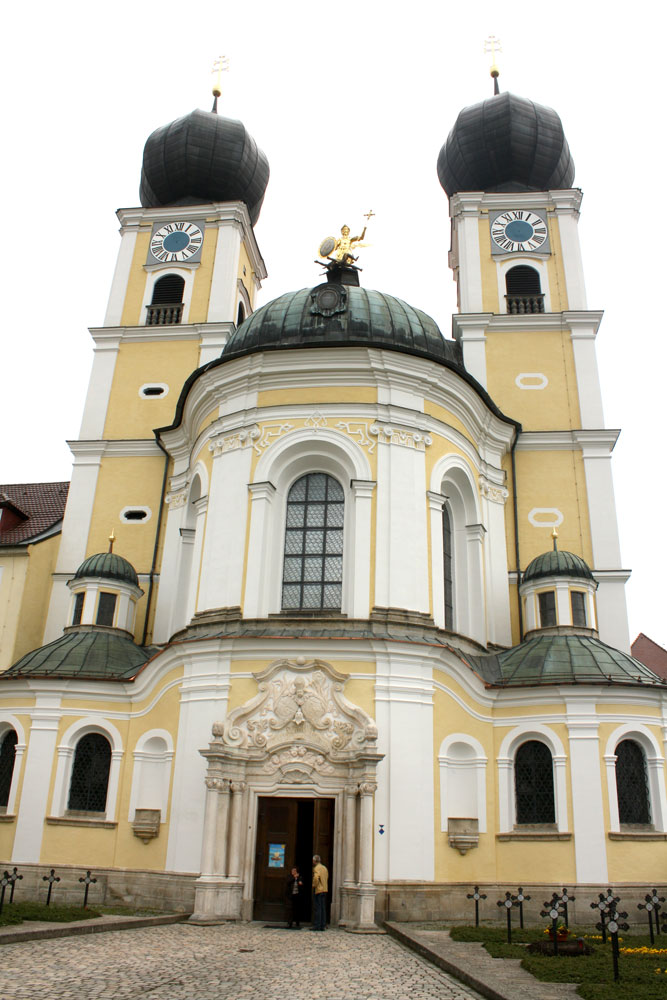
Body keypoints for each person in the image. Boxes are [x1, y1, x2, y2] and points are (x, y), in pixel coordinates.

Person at [311, 854, 328, 931]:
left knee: (318, 908)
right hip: (324, 889)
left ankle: (317, 925)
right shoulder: (324, 868)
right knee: (322, 908)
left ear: (314, 861)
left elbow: (316, 878)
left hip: (319, 890)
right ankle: (323, 925)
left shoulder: (316, 868)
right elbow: (327, 877)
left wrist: (314, 885)